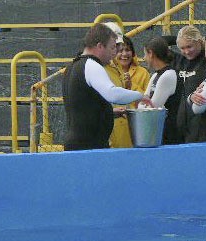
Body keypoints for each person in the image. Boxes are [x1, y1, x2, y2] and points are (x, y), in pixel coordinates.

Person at [62, 23, 151, 151]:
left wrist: (108, 113)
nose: (114, 53)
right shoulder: (92, 65)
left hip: (79, 143)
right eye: (112, 48)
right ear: (99, 46)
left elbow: (82, 107)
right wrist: (140, 96)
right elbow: (112, 94)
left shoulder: (73, 66)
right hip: (89, 146)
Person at [104, 22, 150, 148]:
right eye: (120, 50)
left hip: (136, 122)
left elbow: (146, 99)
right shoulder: (107, 69)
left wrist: (130, 86)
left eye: (128, 50)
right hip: (114, 125)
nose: (124, 54)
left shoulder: (143, 73)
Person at [171, 25, 206, 143]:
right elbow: (159, 43)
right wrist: (178, 37)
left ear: (199, 42)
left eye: (189, 46)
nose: (186, 51)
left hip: (202, 125)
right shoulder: (179, 60)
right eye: (182, 48)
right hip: (181, 123)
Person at [140, 37, 182, 144]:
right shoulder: (155, 75)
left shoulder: (169, 75)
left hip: (170, 133)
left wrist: (144, 104)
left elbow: (153, 107)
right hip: (158, 130)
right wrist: (144, 104)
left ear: (151, 54)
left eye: (145, 54)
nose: (144, 58)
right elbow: (143, 102)